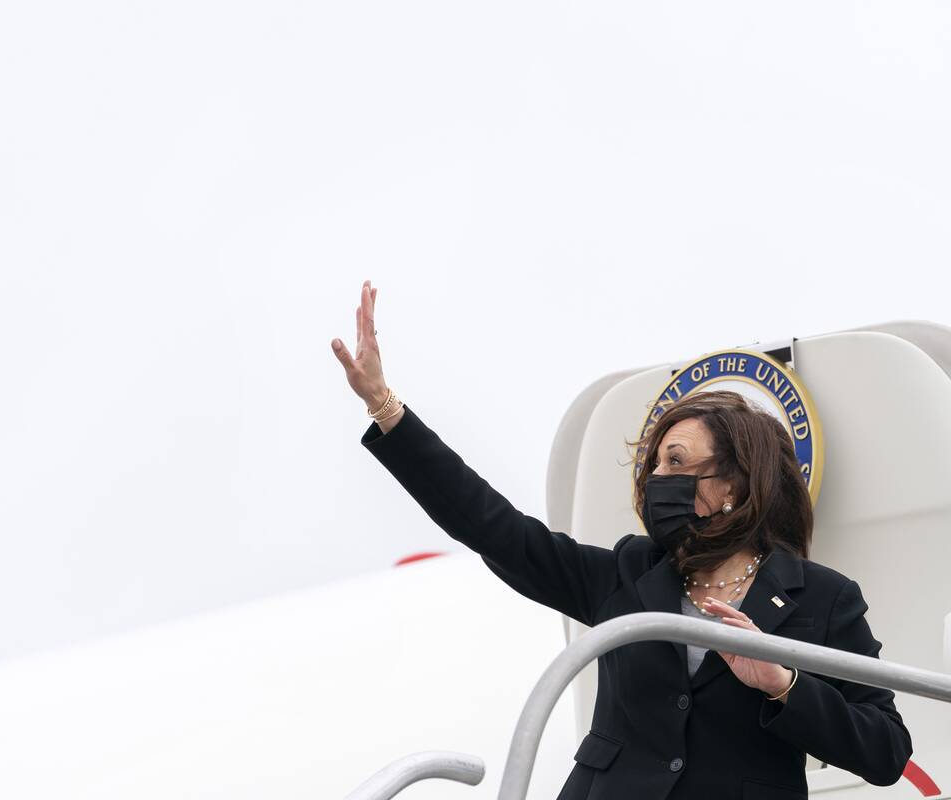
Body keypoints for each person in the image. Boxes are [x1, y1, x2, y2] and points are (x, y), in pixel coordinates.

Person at [330, 279, 912, 799]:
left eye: (677, 461)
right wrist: (387, 410)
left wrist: (782, 684)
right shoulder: (627, 575)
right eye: (655, 466)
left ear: (734, 483)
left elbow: (886, 750)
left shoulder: (822, 598)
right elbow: (494, 528)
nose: (658, 479)